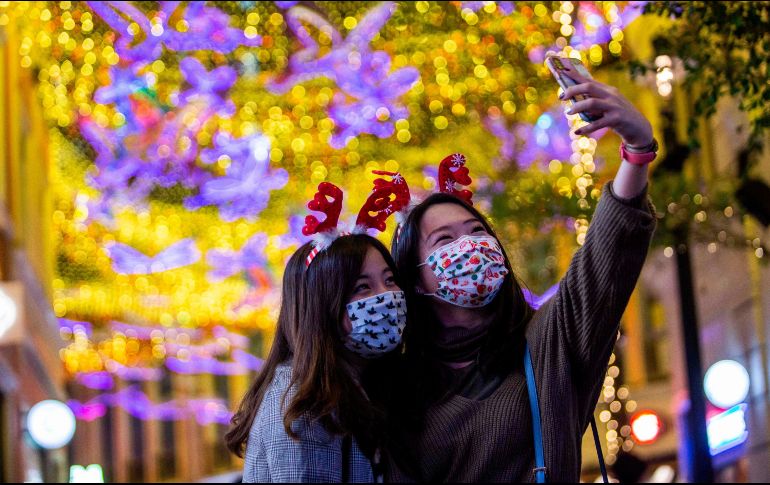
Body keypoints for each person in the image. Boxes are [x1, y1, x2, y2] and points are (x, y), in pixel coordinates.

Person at [384, 63, 658, 482]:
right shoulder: (396, 386)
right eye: (444, 240)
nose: (469, 245)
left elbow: (603, 259)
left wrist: (638, 150)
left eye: (476, 231)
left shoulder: (546, 343)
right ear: (415, 280)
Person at [226, 176, 410, 483]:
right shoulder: (305, 411)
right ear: (320, 307)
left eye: (390, 280)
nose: (385, 296)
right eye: (362, 287)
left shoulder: (353, 387)